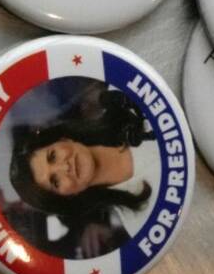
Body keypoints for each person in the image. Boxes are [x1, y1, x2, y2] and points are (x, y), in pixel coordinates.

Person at [8, 89, 159, 239]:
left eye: (52, 156)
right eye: (55, 181)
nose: (64, 167)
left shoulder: (122, 96)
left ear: (62, 139)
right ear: (68, 197)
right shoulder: (141, 225)